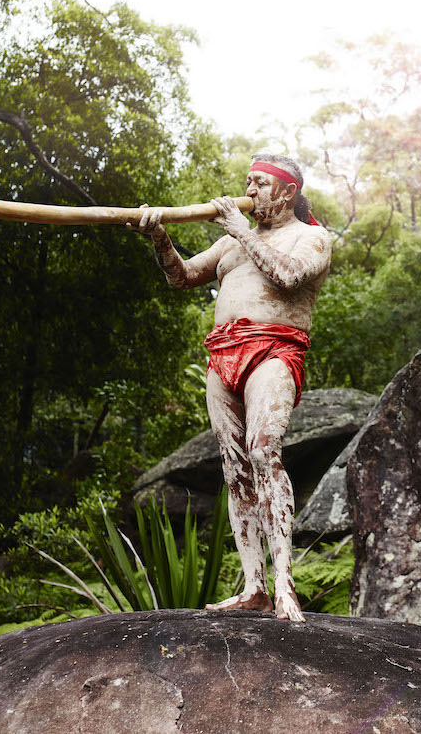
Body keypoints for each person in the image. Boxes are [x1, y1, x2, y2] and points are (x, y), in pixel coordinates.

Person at [128, 153, 330, 620]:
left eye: (260, 182)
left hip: (275, 349)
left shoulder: (311, 237)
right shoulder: (230, 244)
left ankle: (284, 584)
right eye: (249, 182)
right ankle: (254, 585)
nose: (251, 189)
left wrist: (239, 226)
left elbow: (288, 275)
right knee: (235, 467)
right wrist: (158, 236)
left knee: (264, 451)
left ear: (287, 191)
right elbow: (181, 277)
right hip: (223, 354)